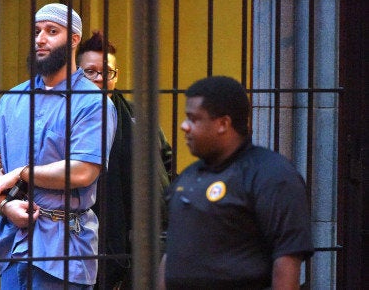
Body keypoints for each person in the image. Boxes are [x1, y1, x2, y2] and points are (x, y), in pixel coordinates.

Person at [0, 3, 117, 289]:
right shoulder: (13, 98)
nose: (40, 39)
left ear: (74, 39)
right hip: (14, 243)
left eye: (52, 31)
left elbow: (83, 171)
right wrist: (4, 205)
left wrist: (22, 172)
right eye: (37, 31)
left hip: (65, 248)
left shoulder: (92, 102)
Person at [159, 76, 314, 289]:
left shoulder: (271, 175)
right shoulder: (189, 176)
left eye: (193, 119)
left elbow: (286, 260)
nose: (184, 126)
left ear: (223, 123)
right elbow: (172, 255)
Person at [76, 30, 173, 290]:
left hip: (141, 239)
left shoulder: (138, 115)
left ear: (116, 75)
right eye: (90, 72)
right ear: (76, 74)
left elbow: (166, 162)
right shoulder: (65, 118)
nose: (99, 79)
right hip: (83, 237)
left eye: (107, 72)